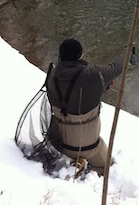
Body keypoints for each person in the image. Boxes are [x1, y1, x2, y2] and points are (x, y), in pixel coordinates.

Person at [46, 38, 126, 175]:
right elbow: (119, 66)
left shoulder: (51, 75)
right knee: (110, 169)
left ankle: (75, 167)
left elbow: (70, 95)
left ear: (60, 56)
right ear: (80, 55)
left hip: (59, 144)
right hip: (88, 148)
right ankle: (89, 171)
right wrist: (129, 51)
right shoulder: (92, 75)